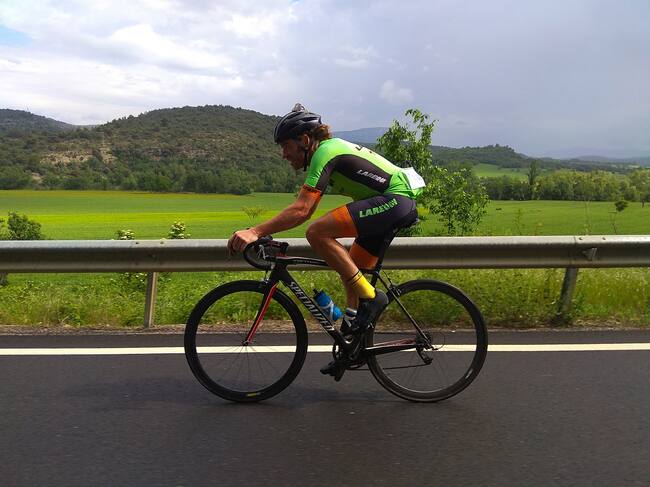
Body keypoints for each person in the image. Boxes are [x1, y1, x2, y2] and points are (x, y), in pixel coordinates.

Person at [228, 103, 424, 372]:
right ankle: (351, 343)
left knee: (317, 232)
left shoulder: (324, 152)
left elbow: (303, 210)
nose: (284, 154)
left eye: (286, 146)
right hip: (391, 203)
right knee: (352, 270)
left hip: (395, 201)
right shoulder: (326, 152)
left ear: (304, 140)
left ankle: (372, 298)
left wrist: (254, 231)